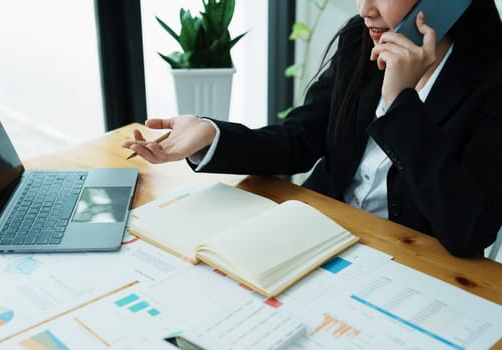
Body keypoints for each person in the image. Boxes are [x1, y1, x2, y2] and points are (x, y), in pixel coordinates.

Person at [122, 0, 502, 257]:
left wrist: (401, 103)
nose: (364, 8)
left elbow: (469, 232)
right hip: (316, 234)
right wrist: (211, 135)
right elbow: (301, 138)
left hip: (410, 263)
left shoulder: (491, 82)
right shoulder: (360, 40)